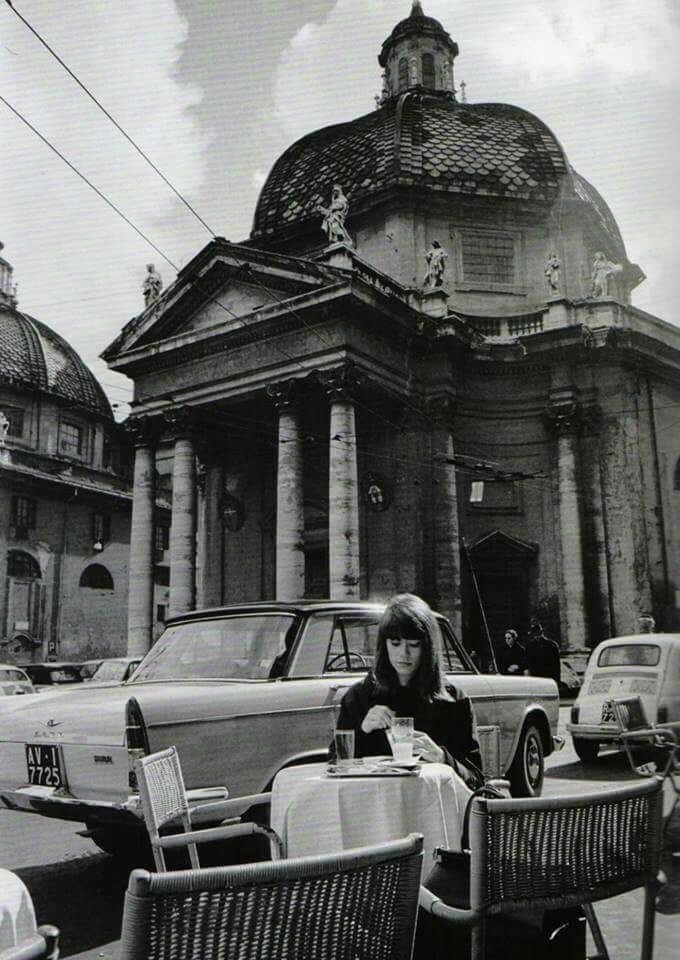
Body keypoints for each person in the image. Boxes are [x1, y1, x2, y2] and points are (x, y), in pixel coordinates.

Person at [331, 593, 483, 786]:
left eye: (414, 644)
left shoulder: (454, 701)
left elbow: (477, 781)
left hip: (434, 810)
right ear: (384, 645)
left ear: (427, 648)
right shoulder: (360, 697)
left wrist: (443, 758)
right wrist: (362, 730)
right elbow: (334, 766)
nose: (404, 653)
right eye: (395, 643)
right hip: (375, 809)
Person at [524, 620, 560, 687]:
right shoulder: (529, 646)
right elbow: (526, 664)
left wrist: (556, 680)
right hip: (535, 678)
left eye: (537, 634)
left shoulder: (551, 645)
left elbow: (556, 665)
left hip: (548, 677)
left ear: (541, 633)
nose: (536, 636)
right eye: (534, 635)